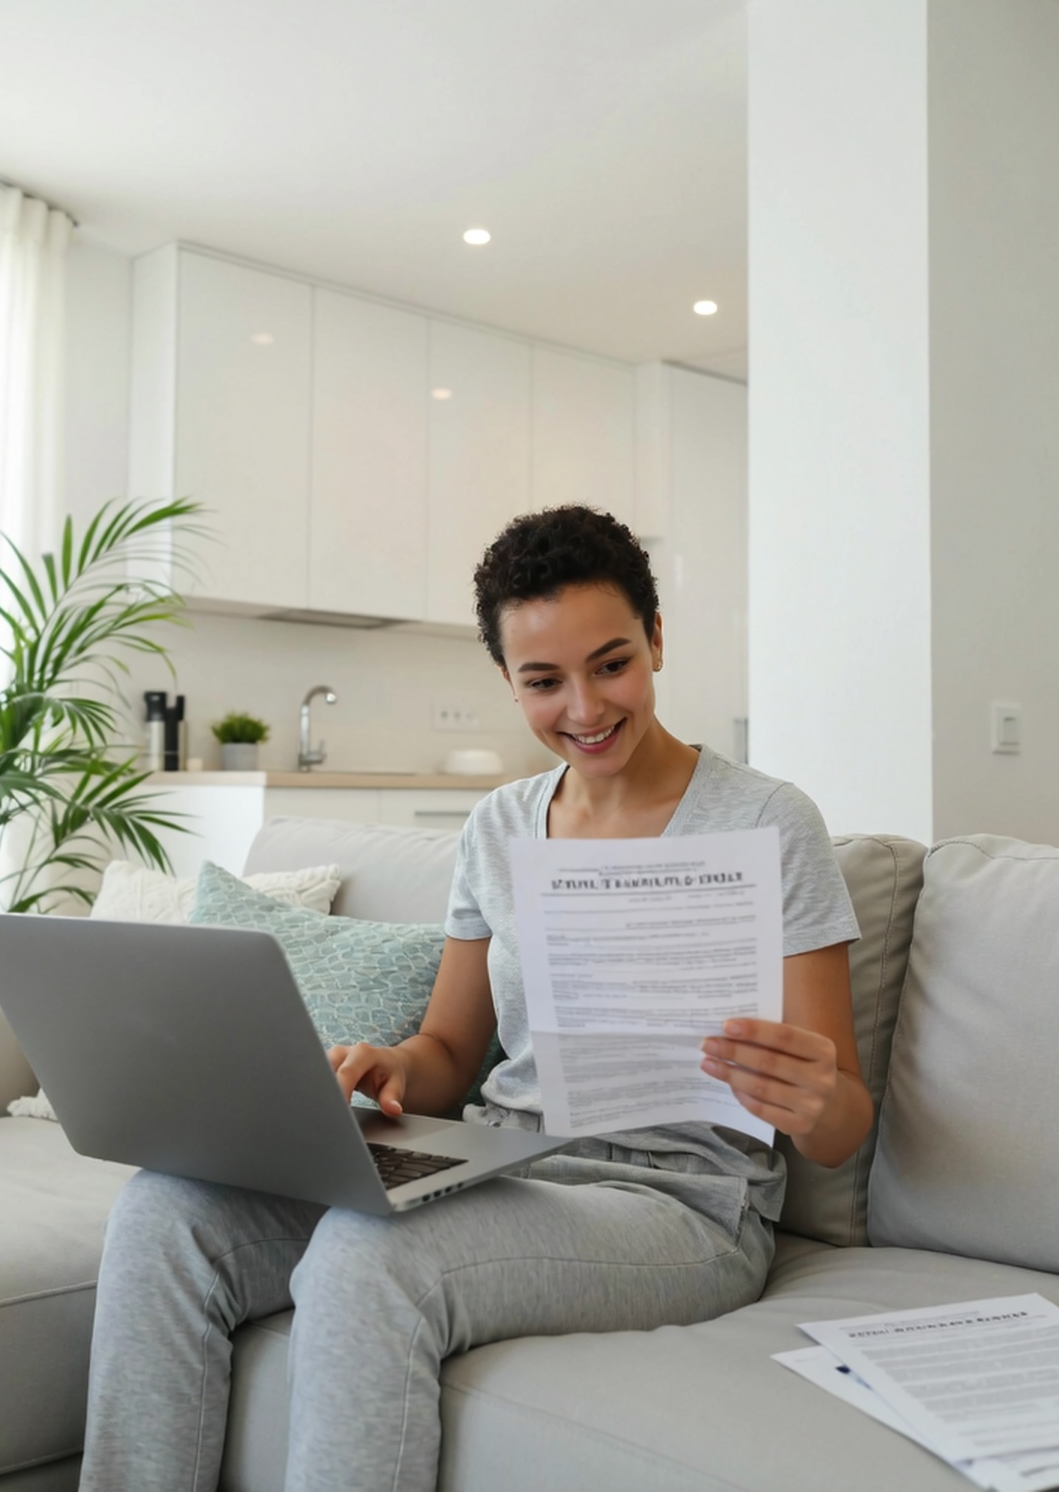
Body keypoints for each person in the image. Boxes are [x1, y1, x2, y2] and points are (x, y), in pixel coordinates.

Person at [79, 504, 868, 1492]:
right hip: (502, 1158)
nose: (583, 707)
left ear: (658, 639)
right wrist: (385, 1067)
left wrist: (815, 1097)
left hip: (675, 1203)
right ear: (508, 680)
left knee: (369, 1257)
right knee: (165, 1213)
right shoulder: (499, 826)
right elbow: (449, 1059)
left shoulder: (769, 822)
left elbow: (842, 1128)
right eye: (543, 681)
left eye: (612, 663)